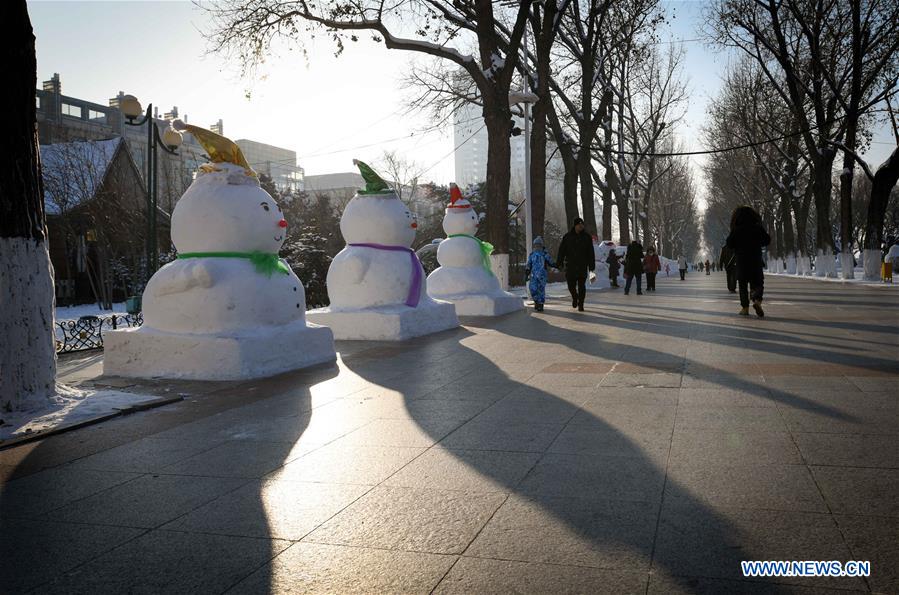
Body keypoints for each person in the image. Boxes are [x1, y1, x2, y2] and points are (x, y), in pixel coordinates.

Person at [726, 205, 771, 317]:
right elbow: (767, 240)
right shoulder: (757, 227)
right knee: (758, 282)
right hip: (755, 259)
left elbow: (729, 244)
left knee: (742, 284)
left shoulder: (736, 229)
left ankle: (745, 308)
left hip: (741, 261)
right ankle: (757, 300)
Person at [556, 217, 595, 311]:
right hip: (571, 265)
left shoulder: (587, 237)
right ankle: (575, 297)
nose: (581, 226)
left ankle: (581, 304)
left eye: (582, 224)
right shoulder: (567, 237)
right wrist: (559, 262)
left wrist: (591, 267)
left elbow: (590, 253)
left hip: (582, 265)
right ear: (575, 225)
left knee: (582, 286)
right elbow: (562, 250)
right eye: (579, 224)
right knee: (571, 285)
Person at [525, 236, 555, 312]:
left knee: (541, 290)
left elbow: (551, 262)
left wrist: (557, 265)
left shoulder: (544, 254)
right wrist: (527, 272)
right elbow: (529, 264)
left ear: (541, 245)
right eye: (535, 245)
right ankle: (536, 302)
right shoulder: (532, 254)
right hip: (533, 275)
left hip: (542, 275)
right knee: (533, 289)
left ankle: (540, 304)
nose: (537, 246)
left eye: (538, 245)